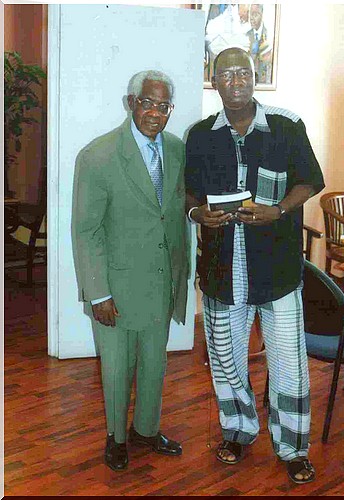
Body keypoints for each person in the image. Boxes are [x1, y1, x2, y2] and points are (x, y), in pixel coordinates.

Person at [185, 47, 324, 484]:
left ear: (255, 76)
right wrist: (197, 214)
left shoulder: (286, 125)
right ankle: (238, 432)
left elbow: (310, 180)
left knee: (289, 364)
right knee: (226, 361)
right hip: (222, 272)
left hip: (278, 271)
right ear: (214, 82)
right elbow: (189, 192)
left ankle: (293, 447)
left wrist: (278, 210)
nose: (236, 81)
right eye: (226, 74)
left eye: (243, 72)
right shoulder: (200, 135)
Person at [72, 70, 189, 471]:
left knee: (155, 364)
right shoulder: (98, 155)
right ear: (131, 103)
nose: (155, 113)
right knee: (118, 368)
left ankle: (146, 431)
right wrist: (97, 293)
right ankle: (116, 438)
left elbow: (172, 212)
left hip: (161, 280)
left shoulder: (176, 150)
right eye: (147, 103)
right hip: (116, 289)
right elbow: (86, 231)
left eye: (164, 105)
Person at [246, 4, 271, 83]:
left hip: (265, 81)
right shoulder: (246, 36)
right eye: (250, 14)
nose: (251, 18)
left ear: (261, 15)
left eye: (255, 14)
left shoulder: (270, 36)